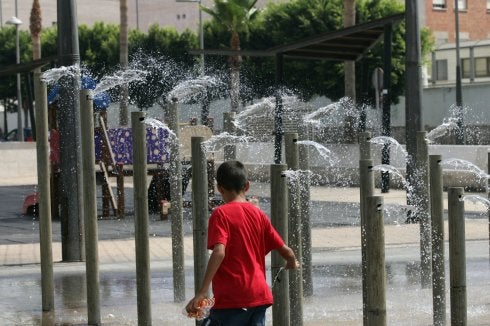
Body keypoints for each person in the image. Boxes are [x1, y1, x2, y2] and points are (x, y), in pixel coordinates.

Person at [185, 160, 299, 326]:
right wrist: (291, 262)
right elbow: (286, 250)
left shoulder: (220, 214)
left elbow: (219, 252)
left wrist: (202, 291)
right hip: (259, 297)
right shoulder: (259, 215)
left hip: (232, 298)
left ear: (219, 188)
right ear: (247, 186)